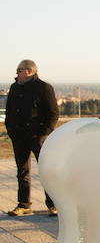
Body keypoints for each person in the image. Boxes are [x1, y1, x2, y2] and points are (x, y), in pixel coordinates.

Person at [6, 60, 58, 216]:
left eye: (19, 70)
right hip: (19, 137)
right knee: (22, 171)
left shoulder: (44, 88)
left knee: (46, 171)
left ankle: (53, 204)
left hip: (38, 137)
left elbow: (53, 113)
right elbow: (9, 112)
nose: (17, 74)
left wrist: (44, 132)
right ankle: (23, 205)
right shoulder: (15, 88)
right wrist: (11, 131)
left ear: (29, 71)